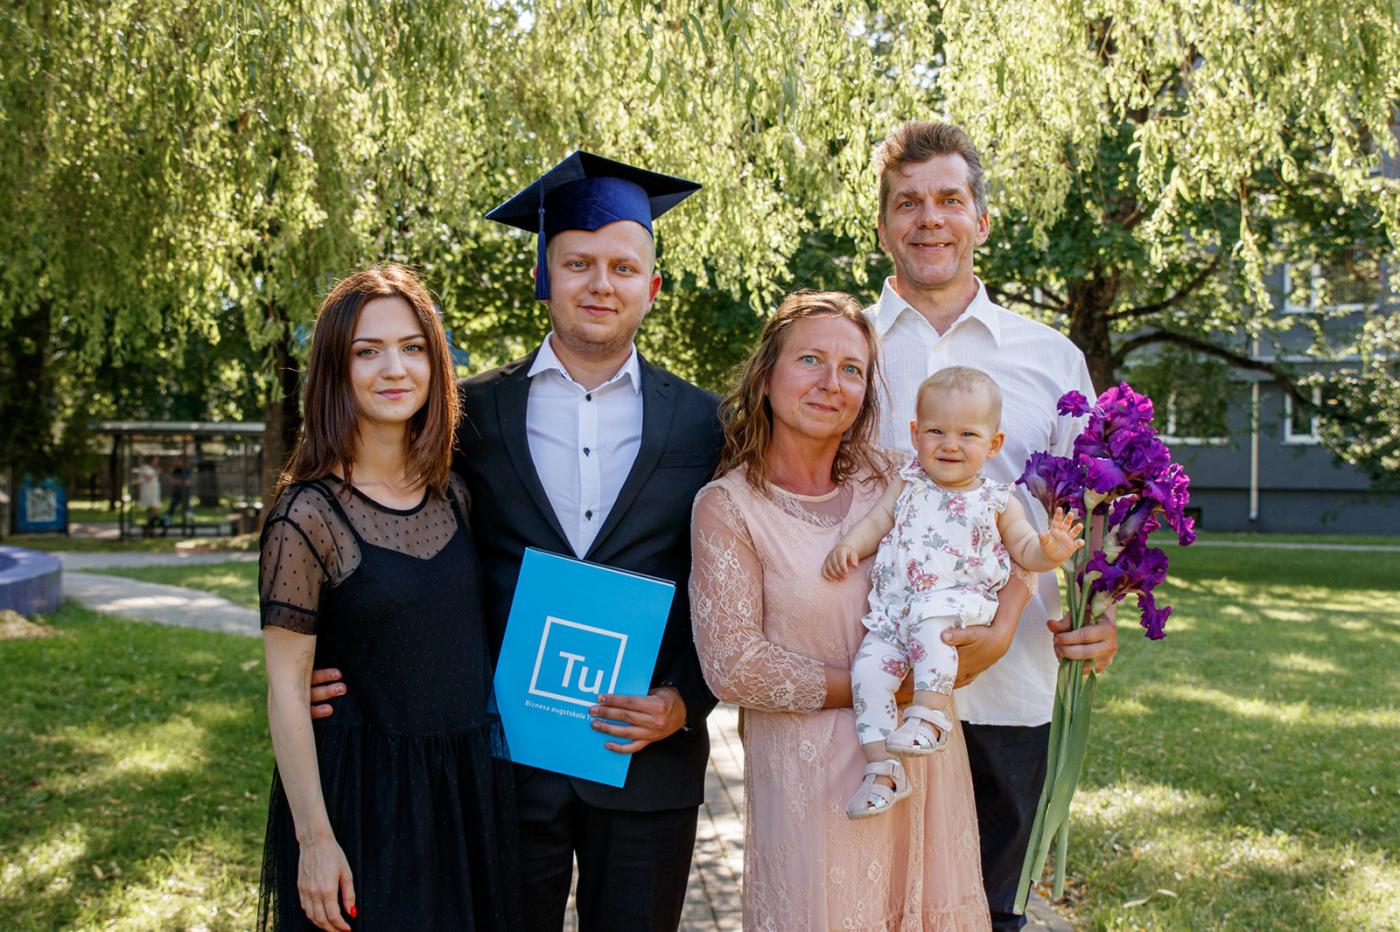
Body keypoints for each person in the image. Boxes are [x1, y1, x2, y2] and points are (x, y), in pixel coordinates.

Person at [310, 153, 723, 931]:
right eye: (578, 263)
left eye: (623, 267)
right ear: (543, 275)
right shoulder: (463, 416)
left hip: (647, 762)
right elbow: (384, 531)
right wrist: (330, 656)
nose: (601, 284)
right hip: (500, 763)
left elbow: (732, 586)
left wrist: (684, 701)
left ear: (652, 287)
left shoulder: (708, 424)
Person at [865, 120, 1120, 929]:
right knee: (868, 909)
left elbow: (1090, 508)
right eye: (908, 203)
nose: (929, 219)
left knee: (992, 913)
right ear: (883, 226)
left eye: (948, 199)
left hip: (1013, 688)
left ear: (981, 219)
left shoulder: (1051, 358)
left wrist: (1104, 608)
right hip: (879, 688)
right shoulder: (841, 354)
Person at [690, 290, 991, 930]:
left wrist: (1004, 627)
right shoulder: (729, 507)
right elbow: (734, 667)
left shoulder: (900, 478)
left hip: (921, 761)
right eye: (810, 360)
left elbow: (1001, 536)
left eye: (852, 369)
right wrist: (884, 686)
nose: (832, 382)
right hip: (814, 785)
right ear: (765, 376)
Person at [257, 265, 518, 931]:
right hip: (363, 803)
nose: (394, 369)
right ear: (335, 370)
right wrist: (315, 840)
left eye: (412, 347)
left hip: (463, 795)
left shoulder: (455, 495)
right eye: (367, 351)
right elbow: (286, 687)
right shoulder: (305, 516)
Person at [822, 366, 1083, 819]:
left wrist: (1050, 552)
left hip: (957, 605)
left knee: (932, 621)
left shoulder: (997, 500)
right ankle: (883, 771)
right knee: (868, 673)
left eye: (967, 434)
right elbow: (878, 521)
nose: (950, 444)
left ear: (993, 444)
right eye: (936, 431)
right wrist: (850, 545)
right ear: (915, 434)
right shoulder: (907, 483)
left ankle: (930, 715)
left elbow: (1025, 551)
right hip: (896, 613)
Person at [134, 457, 161, 526]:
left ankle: (151, 522)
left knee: (153, 506)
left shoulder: (153, 468)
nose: (156, 462)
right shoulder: (145, 468)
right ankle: (151, 522)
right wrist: (156, 472)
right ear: (151, 460)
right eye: (155, 460)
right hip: (148, 491)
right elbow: (148, 478)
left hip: (154, 491)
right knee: (151, 507)